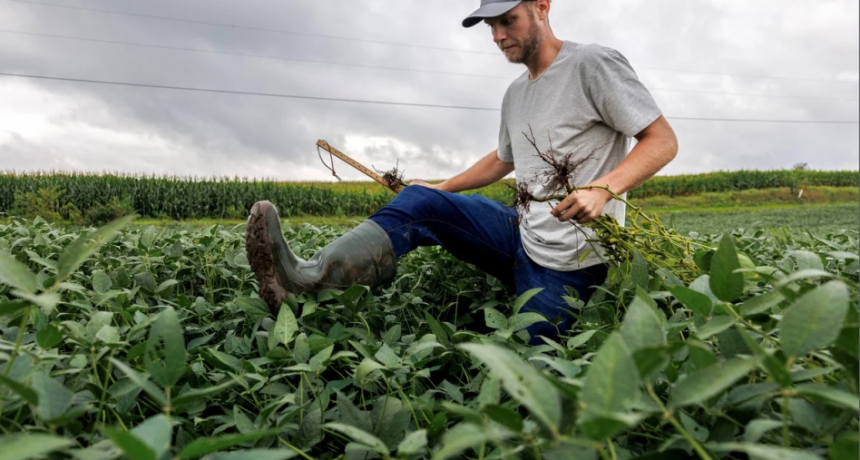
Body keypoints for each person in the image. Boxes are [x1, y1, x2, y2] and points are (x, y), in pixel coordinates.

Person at [245, 0, 678, 343]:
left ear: (542, 6)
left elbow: (661, 140)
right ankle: (307, 280)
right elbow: (503, 159)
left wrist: (603, 188)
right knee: (420, 201)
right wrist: (442, 188)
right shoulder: (516, 94)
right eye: (491, 26)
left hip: (570, 263)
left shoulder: (592, 65)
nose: (498, 36)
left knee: (536, 362)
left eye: (507, 21)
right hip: (520, 233)